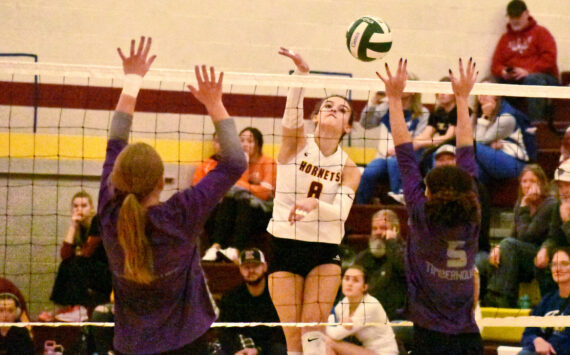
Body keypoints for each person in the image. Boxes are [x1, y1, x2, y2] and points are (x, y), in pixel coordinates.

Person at [97, 37, 246, 354]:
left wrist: (132, 81)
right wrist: (214, 102)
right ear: (161, 183)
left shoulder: (109, 212)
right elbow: (235, 160)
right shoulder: (180, 214)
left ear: (116, 179)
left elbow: (115, 141)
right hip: (186, 343)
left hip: (131, 346)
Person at [379, 58, 483, 354]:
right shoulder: (473, 213)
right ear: (466, 190)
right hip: (468, 339)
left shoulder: (421, 213)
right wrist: (463, 98)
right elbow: (466, 148)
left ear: (429, 192)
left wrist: (394, 99)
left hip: (431, 338)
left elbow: (404, 153)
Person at [266, 47, 361, 355]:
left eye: (343, 109)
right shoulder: (296, 144)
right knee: (293, 341)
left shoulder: (349, 168)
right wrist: (302, 75)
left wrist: (315, 204)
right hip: (284, 244)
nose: (334, 109)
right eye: (328, 106)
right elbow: (290, 112)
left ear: (347, 126)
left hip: (324, 249)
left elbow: (341, 215)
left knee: (313, 336)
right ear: (316, 116)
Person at [203, 127, 276, 261]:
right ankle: (215, 247)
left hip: (264, 212)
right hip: (242, 209)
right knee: (229, 200)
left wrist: (245, 186)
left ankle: (236, 249)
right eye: (241, 140)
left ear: (258, 144)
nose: (245, 144)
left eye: (250, 141)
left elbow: (265, 194)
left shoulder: (268, 161)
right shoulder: (239, 162)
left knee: (243, 201)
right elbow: (233, 190)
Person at [355, 75, 429, 205]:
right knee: (370, 171)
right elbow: (366, 124)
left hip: (410, 157)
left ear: (412, 90)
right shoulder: (386, 108)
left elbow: (418, 140)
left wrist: (399, 150)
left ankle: (400, 201)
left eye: (402, 83)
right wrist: (373, 102)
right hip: (386, 157)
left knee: (395, 162)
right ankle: (361, 206)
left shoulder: (422, 113)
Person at [432, 145, 493, 301]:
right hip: (440, 250)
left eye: (450, 159)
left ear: (458, 162)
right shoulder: (429, 192)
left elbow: (480, 231)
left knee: (473, 265)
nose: (445, 163)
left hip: (473, 250)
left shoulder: (476, 190)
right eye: (441, 160)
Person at [491, 0, 559, 122]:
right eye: (512, 17)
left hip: (544, 77)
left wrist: (529, 71)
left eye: (518, 16)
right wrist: (504, 72)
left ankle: (536, 125)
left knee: (532, 80)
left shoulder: (541, 33)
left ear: (526, 13)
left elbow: (549, 59)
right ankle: (502, 123)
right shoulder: (505, 39)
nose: (515, 20)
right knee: (492, 83)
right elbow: (496, 65)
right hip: (516, 79)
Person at [50, 191, 112, 322]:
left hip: (107, 274)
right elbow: (65, 255)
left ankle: (80, 306)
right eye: (75, 206)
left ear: (91, 208)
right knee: (67, 264)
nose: (79, 209)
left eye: (84, 205)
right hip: (89, 272)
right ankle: (72, 306)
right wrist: (73, 226)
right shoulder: (78, 229)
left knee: (77, 263)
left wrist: (78, 255)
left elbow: (86, 254)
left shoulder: (97, 224)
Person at [218, 248, 286, 355]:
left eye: (255, 266)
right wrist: (236, 350)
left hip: (269, 348)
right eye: (246, 267)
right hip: (242, 347)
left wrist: (258, 350)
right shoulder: (231, 297)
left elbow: (282, 332)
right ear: (240, 269)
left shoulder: (279, 294)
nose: (251, 271)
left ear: (264, 267)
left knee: (279, 350)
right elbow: (225, 331)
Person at [325, 265, 398, 355]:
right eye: (347, 279)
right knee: (327, 343)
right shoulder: (343, 304)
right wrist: (338, 325)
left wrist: (336, 325)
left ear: (364, 287)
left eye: (355, 280)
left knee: (328, 341)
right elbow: (332, 326)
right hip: (364, 351)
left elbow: (334, 334)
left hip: (384, 353)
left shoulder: (370, 305)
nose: (349, 283)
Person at [353, 209, 406, 321]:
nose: (377, 232)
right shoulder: (363, 257)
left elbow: (405, 269)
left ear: (395, 230)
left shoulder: (406, 253)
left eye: (383, 228)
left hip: (396, 318)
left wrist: (391, 243)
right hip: (366, 316)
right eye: (374, 228)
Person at [474, 77, 530, 184]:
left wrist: (485, 116)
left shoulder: (508, 117)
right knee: (475, 170)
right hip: (493, 158)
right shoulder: (476, 113)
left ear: (497, 94)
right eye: (479, 91)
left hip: (514, 163)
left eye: (487, 91)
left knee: (471, 147)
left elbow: (478, 141)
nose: (482, 95)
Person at [519, 247, 570, 355]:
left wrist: (547, 346)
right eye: (554, 264)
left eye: (564, 263)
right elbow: (527, 334)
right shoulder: (547, 299)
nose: (558, 269)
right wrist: (537, 340)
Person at [536, 160, 570, 285]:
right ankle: (550, 301)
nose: (564, 190)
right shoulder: (559, 205)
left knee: (560, 260)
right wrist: (545, 248)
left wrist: (567, 222)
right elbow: (553, 236)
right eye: (561, 186)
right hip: (563, 251)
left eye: (567, 185)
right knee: (540, 261)